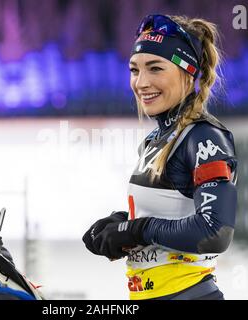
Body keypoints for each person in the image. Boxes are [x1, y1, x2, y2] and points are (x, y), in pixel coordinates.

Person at [83, 14, 238, 300]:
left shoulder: (203, 137)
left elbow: (215, 230)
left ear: (187, 73)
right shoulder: (154, 141)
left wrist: (137, 229)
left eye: (155, 68)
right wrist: (119, 225)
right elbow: (173, 211)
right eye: (134, 70)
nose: (141, 82)